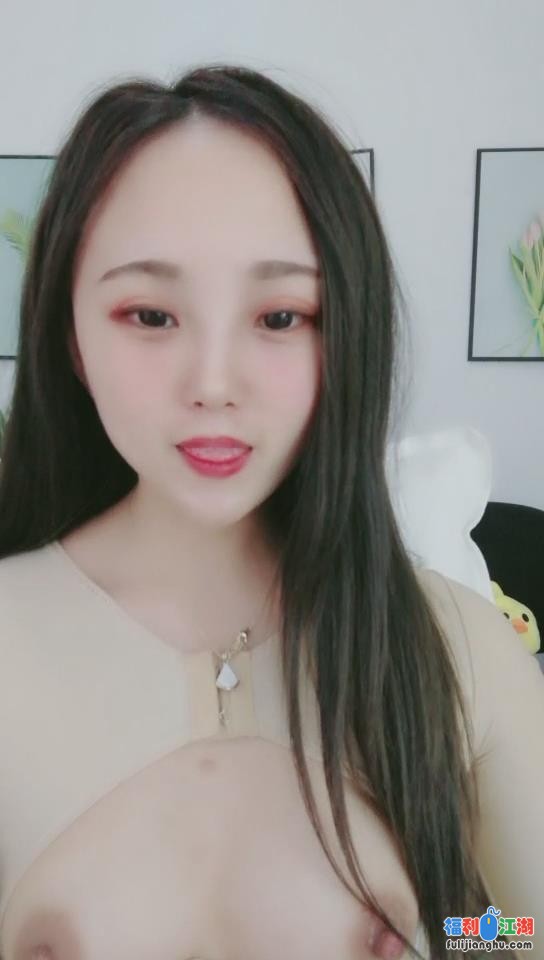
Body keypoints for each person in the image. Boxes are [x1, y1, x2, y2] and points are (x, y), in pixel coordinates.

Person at [0, 63, 541, 960]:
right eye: (150, 315)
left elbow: (523, 936)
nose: (214, 383)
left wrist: (450, 936)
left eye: (281, 317)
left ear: (346, 329)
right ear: (71, 337)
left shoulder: (456, 648)